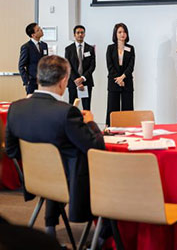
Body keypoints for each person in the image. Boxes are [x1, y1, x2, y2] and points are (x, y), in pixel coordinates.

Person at [5, 55, 105, 238]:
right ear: (64, 81)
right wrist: (91, 123)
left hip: (36, 180)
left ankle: (50, 225)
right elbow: (96, 147)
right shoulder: (66, 113)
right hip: (70, 184)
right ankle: (103, 235)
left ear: (38, 77)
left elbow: (11, 150)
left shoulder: (15, 108)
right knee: (104, 172)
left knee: (59, 162)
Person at [106, 23, 135, 126]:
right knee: (112, 108)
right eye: (120, 32)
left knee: (127, 108)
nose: (122, 34)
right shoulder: (110, 48)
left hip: (127, 82)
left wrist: (122, 77)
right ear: (115, 34)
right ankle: (111, 129)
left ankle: (128, 128)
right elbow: (110, 66)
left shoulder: (130, 48)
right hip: (114, 82)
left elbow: (131, 66)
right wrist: (118, 80)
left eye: (124, 32)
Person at [65, 25, 96, 110]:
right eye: (78, 33)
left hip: (86, 81)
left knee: (86, 108)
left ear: (84, 34)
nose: (80, 34)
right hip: (73, 82)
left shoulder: (90, 49)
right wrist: (77, 80)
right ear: (74, 35)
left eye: (82, 32)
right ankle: (72, 123)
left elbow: (92, 66)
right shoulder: (68, 49)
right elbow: (68, 66)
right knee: (72, 107)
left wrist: (82, 78)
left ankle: (86, 123)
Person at [18, 22, 48, 94]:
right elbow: (21, 66)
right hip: (32, 82)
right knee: (32, 104)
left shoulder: (44, 45)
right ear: (33, 35)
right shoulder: (26, 47)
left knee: (43, 103)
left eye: (40, 28)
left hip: (43, 81)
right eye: (38, 30)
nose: (41, 30)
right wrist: (27, 81)